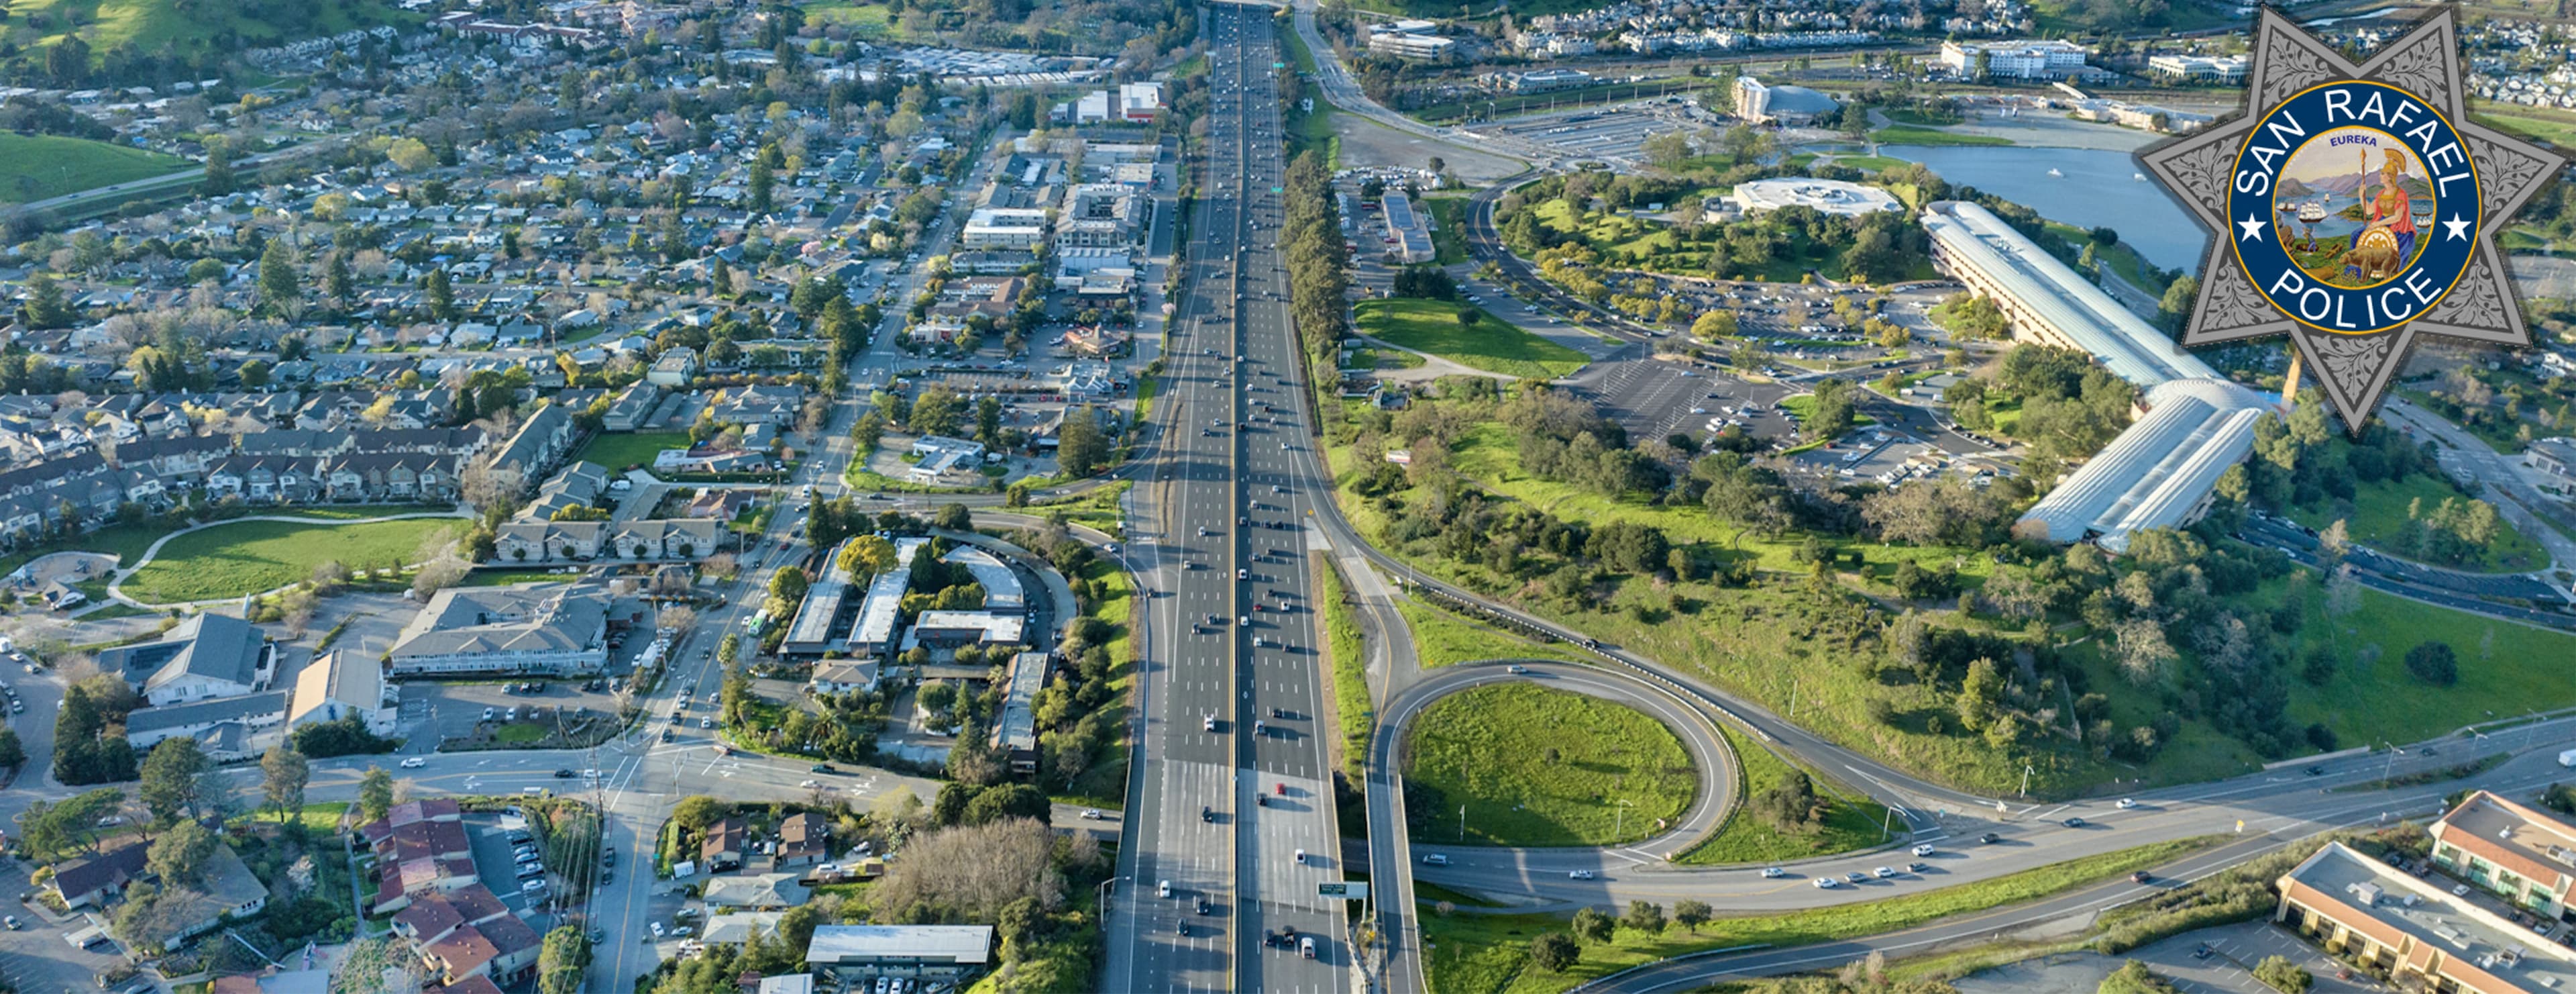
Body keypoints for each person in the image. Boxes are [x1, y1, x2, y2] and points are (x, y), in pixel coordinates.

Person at [2348, 146, 2421, 277]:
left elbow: (2398, 217)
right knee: (2355, 235)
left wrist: (2377, 225)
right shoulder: (2381, 194)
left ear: (2390, 176)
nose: (2380, 176)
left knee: (2397, 247)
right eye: (2381, 173)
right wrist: (2361, 195)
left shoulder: (2401, 194)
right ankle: (2357, 267)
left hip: (2396, 226)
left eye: (2383, 174)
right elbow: (2370, 211)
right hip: (2382, 222)